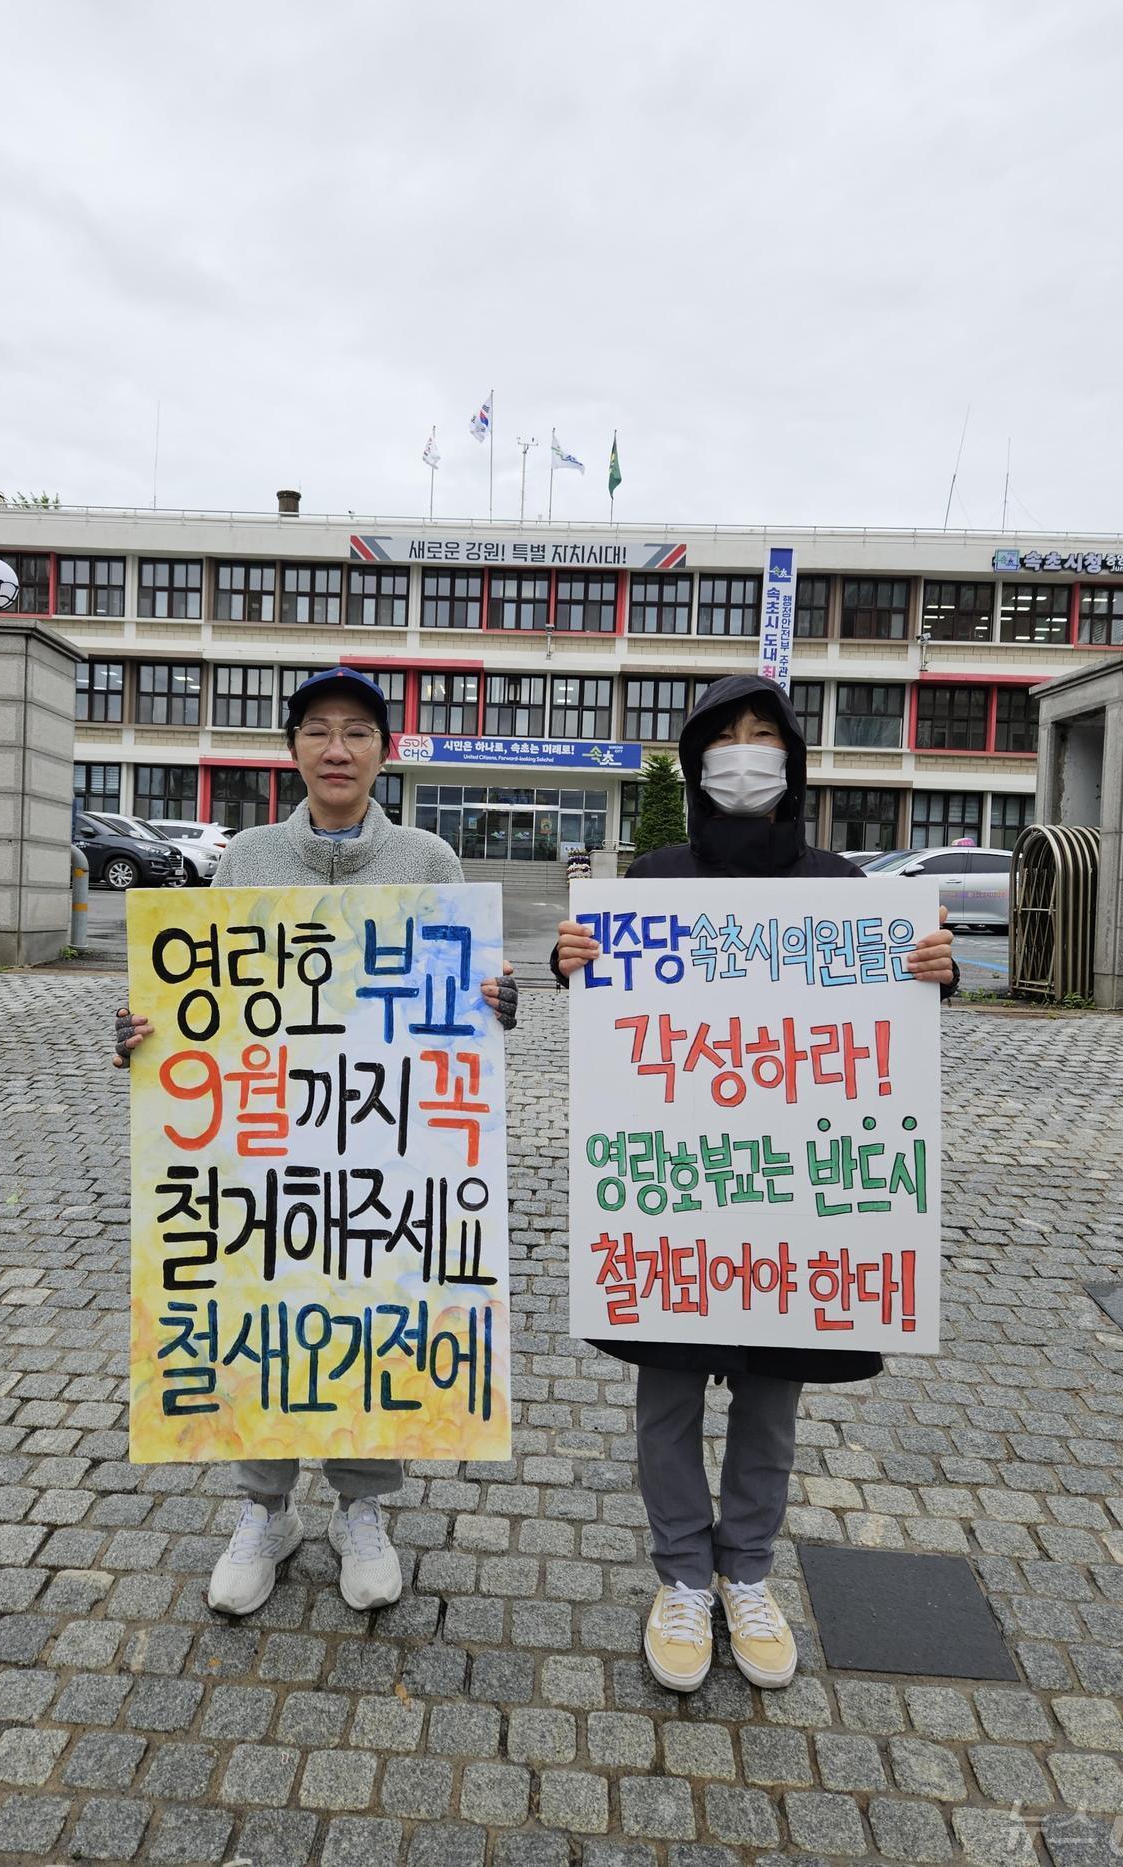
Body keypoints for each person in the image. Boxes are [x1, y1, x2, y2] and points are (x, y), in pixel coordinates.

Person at [553, 673, 957, 1695]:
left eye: (762, 735)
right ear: (695, 763)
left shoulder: (843, 890)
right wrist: (576, 963)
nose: (744, 752)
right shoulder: (649, 880)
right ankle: (681, 1577)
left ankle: (747, 1571)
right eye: (724, 737)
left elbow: (881, 1032)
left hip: (792, 1206)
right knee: (667, 1401)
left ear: (791, 759)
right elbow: (621, 1028)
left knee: (771, 1404)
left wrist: (928, 976)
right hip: (679, 1200)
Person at [115, 667, 516, 1618]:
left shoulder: (428, 859)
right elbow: (202, 997)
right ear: (292, 748)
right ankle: (266, 1508)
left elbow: (464, 999)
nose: (338, 749)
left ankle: (363, 1508)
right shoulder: (247, 856)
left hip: (387, 1140)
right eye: (319, 731)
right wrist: (146, 1033)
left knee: (373, 1306)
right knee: (264, 1300)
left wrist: (497, 1004)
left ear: (385, 749)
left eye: (358, 732)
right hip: (264, 1140)